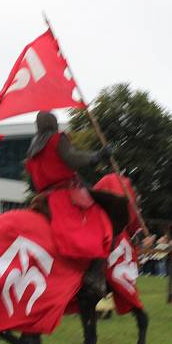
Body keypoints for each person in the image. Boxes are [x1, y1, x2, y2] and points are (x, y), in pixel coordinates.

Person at [24, 111, 113, 294]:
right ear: (54, 123)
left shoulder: (32, 150)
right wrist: (97, 155)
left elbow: (33, 181)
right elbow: (71, 159)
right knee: (101, 223)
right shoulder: (57, 139)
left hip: (42, 196)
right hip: (62, 196)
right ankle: (93, 275)